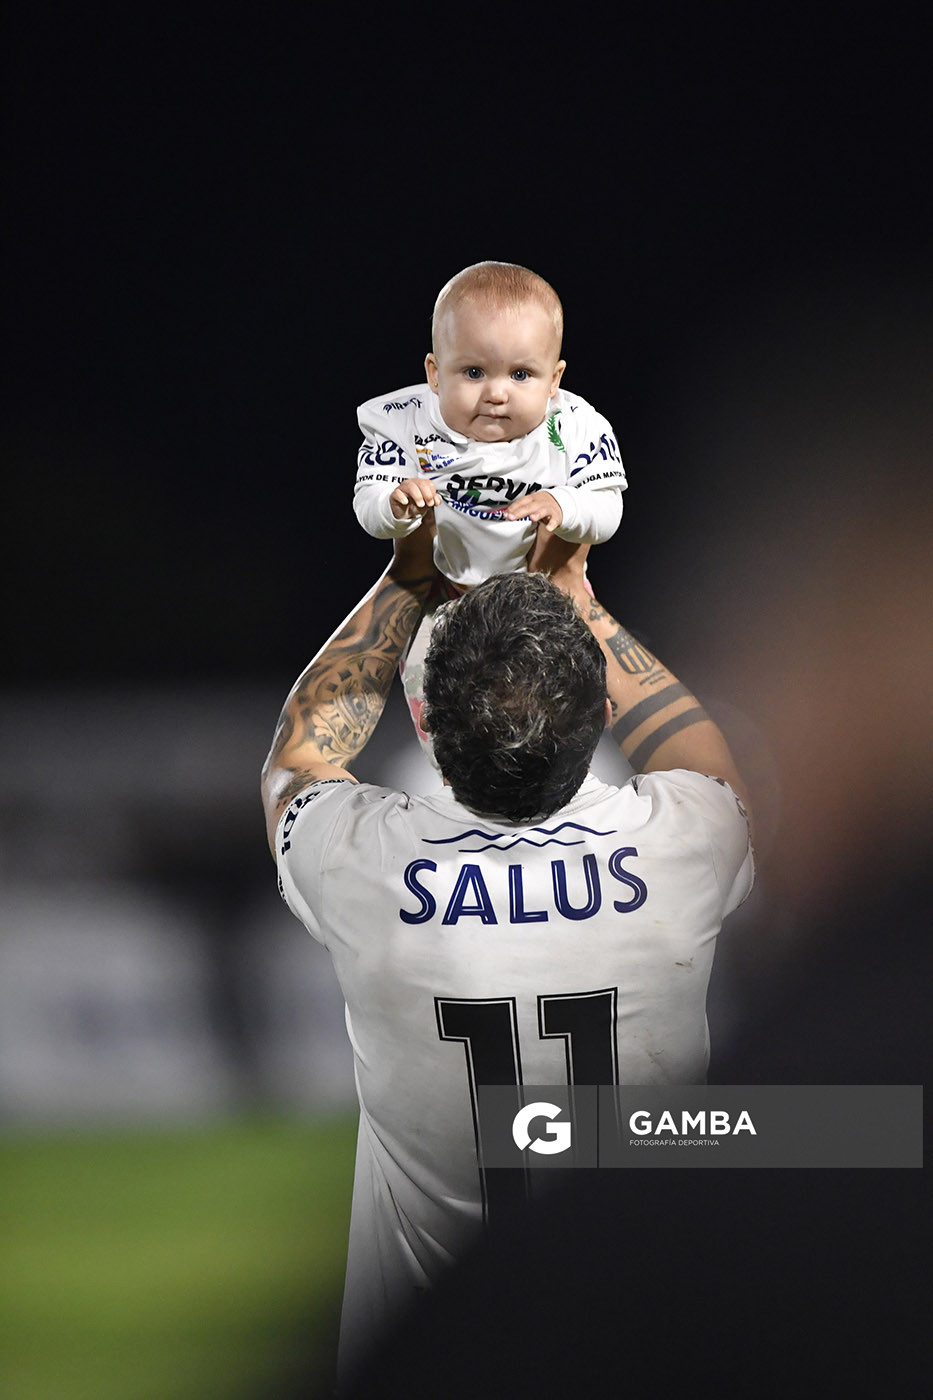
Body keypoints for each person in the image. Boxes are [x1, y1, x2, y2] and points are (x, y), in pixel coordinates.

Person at [260, 522, 753, 1391]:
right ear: (602, 717)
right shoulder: (685, 842)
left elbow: (299, 755)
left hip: (436, 1363)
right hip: (645, 1353)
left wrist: (405, 580)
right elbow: (701, 758)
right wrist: (580, 597)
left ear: (423, 725)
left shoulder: (363, 863)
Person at [352, 260, 627, 758]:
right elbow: (368, 504)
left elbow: (608, 510)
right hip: (444, 594)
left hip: (546, 591)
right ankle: (457, 779)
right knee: (446, 725)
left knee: (574, 706)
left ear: (554, 380)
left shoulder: (576, 426)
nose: (497, 393)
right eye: (474, 372)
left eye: (521, 374)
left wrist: (565, 503)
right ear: (435, 374)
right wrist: (394, 504)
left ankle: (576, 768)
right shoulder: (400, 421)